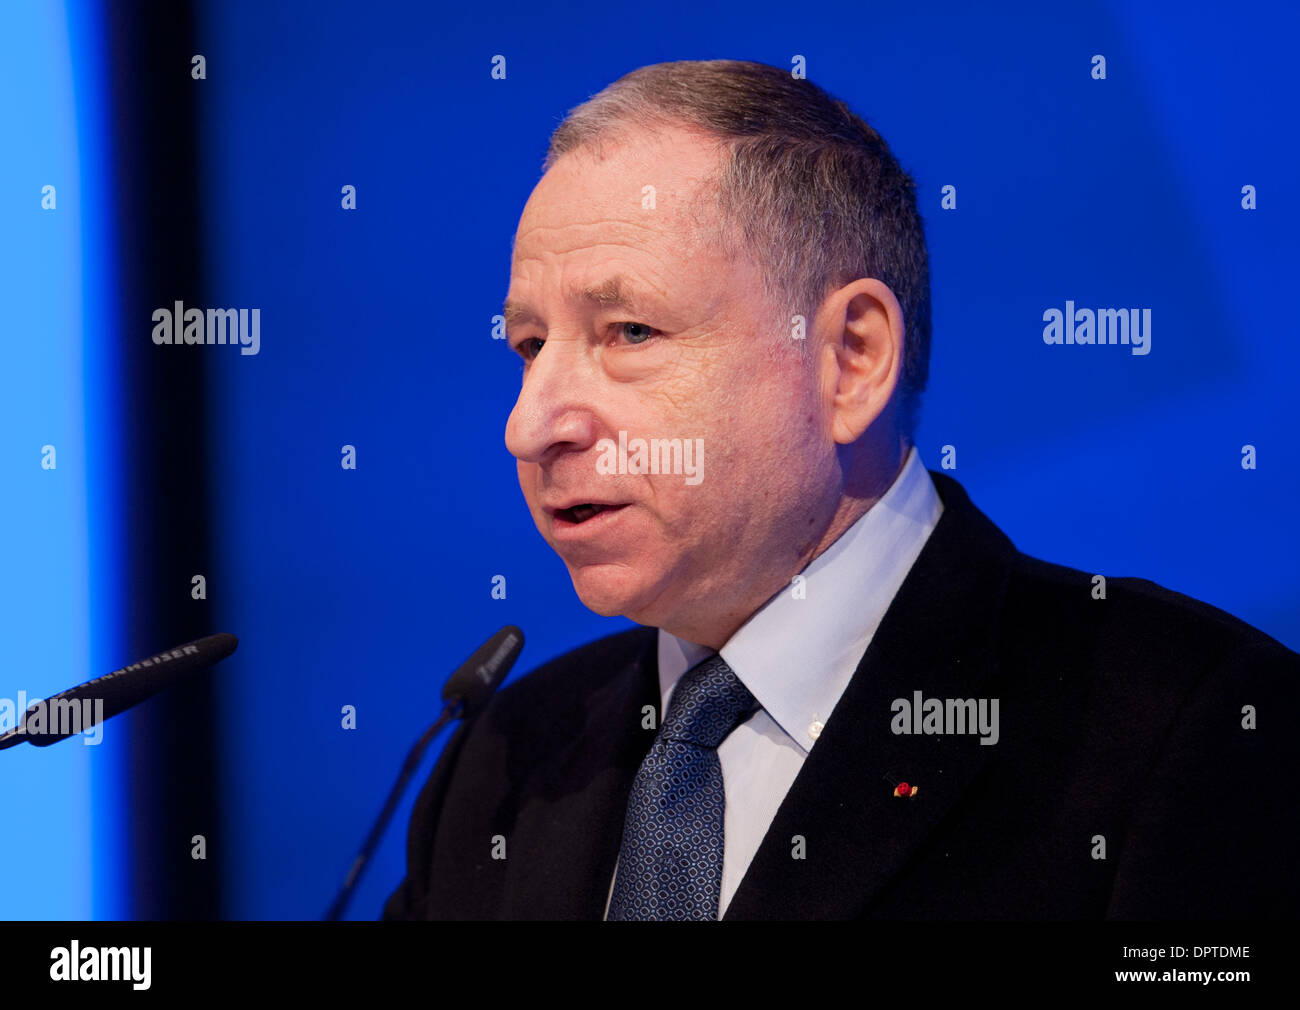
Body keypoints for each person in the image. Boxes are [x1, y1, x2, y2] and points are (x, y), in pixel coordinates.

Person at [383, 59, 1299, 920]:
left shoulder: (1186, 728)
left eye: (628, 332)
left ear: (851, 359)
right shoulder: (502, 759)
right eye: (531, 346)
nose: (530, 424)